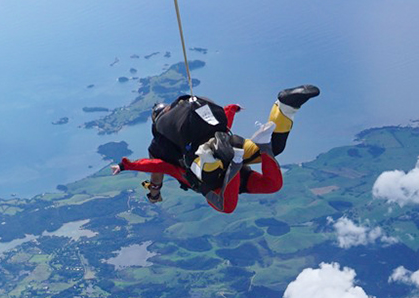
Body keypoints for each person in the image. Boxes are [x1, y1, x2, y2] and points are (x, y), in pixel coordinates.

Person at [110, 86, 320, 214]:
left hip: (214, 164)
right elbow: (222, 124)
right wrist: (232, 109)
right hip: (229, 145)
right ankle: (284, 107)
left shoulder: (166, 150)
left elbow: (158, 166)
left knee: (224, 205)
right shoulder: (186, 128)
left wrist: (126, 165)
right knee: (274, 156)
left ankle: (232, 162)